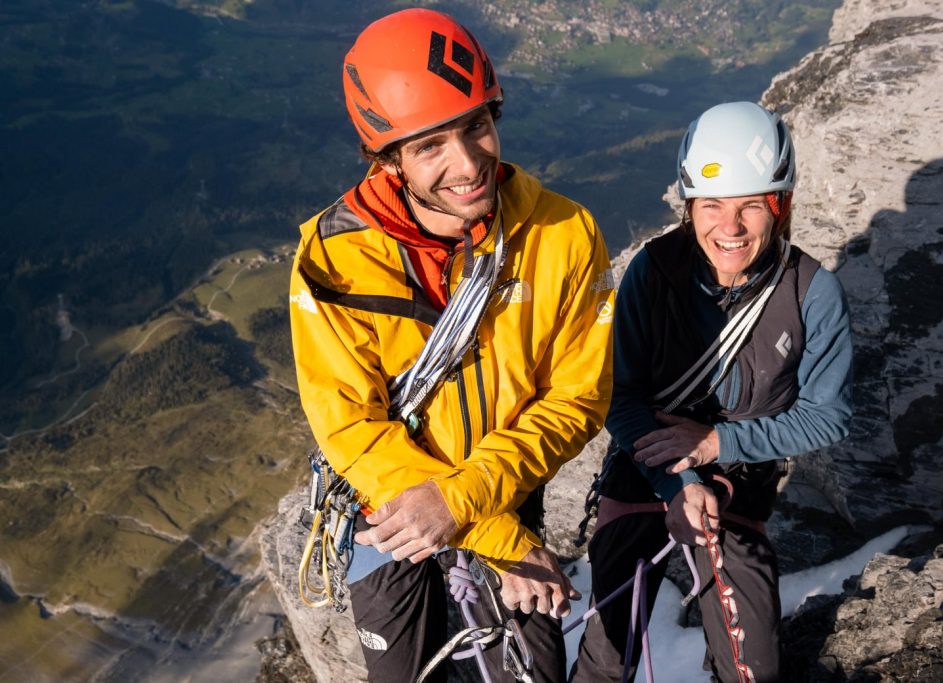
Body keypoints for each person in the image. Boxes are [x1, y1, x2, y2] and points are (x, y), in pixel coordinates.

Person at [288, 8, 614, 682]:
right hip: (390, 514)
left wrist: (466, 500)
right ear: (388, 158)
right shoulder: (335, 258)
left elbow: (577, 398)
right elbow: (349, 424)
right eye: (430, 145)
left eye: (477, 128)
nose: (467, 164)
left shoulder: (564, 234)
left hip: (501, 492)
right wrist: (484, 529)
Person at [570, 101, 853, 683]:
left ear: (782, 206)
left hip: (739, 481)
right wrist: (678, 479)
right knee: (605, 656)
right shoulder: (654, 272)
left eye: (752, 205)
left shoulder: (811, 293)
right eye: (713, 205)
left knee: (753, 669)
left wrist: (718, 443)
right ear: (690, 206)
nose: (731, 227)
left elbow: (828, 416)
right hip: (646, 466)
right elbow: (619, 397)